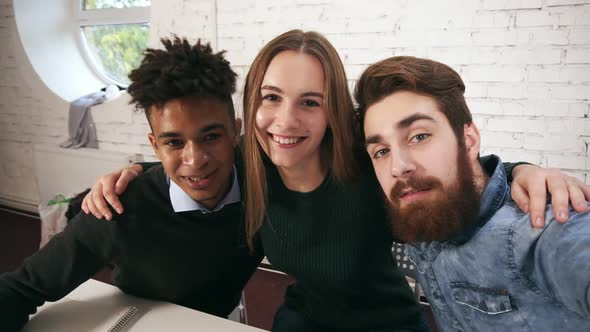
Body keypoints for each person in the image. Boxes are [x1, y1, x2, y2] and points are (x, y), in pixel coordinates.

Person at [81, 30, 589, 331]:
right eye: (271, 97)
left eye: (310, 102)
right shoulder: (250, 162)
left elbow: (450, 174)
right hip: (302, 319)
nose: (284, 122)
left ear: (332, 115)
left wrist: (525, 171)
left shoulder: (366, 169)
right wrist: (133, 172)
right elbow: (194, 159)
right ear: (252, 104)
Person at [0, 37, 262, 331]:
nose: (195, 159)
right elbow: (18, 290)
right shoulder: (118, 211)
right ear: (155, 145)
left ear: (235, 132)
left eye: (211, 137)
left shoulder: (265, 183)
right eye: (174, 142)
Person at [357, 55, 590, 331]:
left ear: (468, 141)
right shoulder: (420, 208)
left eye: (419, 136)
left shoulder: (547, 231)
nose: (399, 167)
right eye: (381, 151)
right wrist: (520, 168)